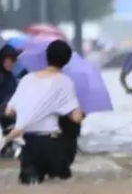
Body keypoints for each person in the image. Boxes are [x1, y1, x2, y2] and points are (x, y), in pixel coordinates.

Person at [1, 40, 83, 184]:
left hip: (28, 146)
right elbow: (76, 118)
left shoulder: (27, 79)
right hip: (52, 145)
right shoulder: (65, 81)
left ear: (47, 56)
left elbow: (9, 111)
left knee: (30, 187)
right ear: (67, 60)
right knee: (61, 188)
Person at [0, 44, 20, 157]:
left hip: (9, 112)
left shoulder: (11, 77)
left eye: (13, 61)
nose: (11, 64)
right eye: (9, 60)